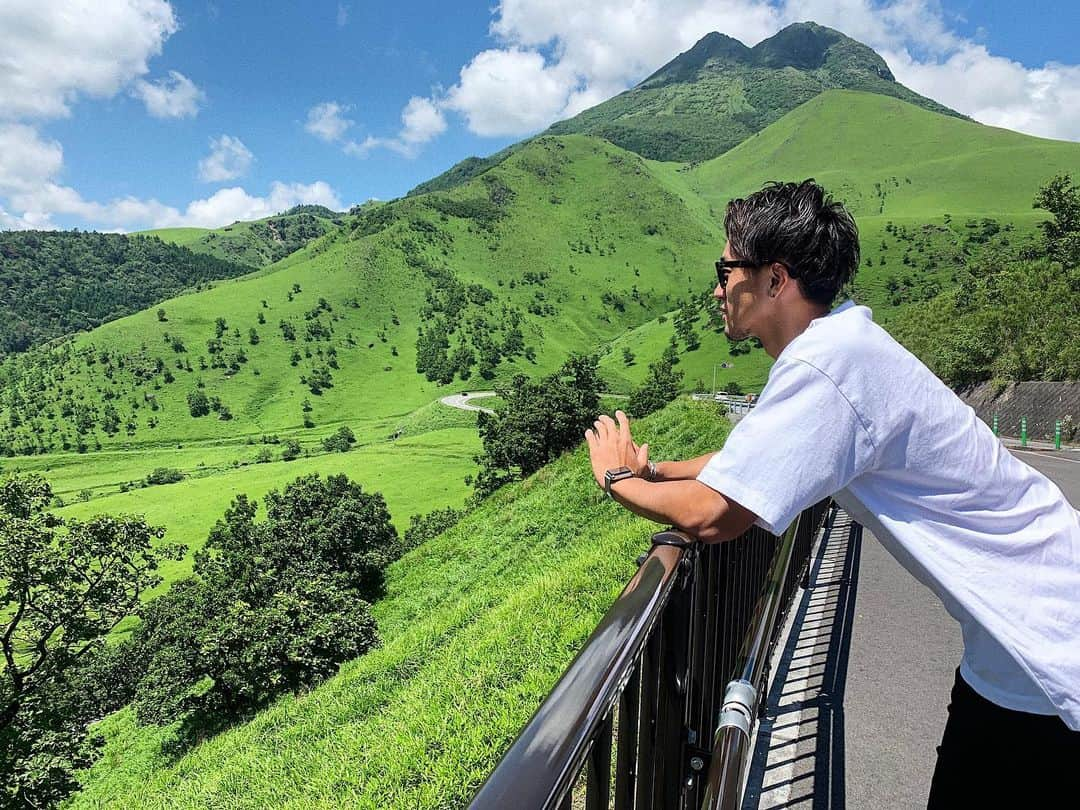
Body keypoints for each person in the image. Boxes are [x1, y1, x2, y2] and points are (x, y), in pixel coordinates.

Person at [584, 180, 1080, 807]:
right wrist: (660, 473)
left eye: (725, 268)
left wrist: (614, 477)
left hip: (1051, 643)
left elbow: (716, 516)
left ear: (774, 279)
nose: (717, 289)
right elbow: (755, 459)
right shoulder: (840, 344)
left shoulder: (828, 364)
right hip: (1012, 644)